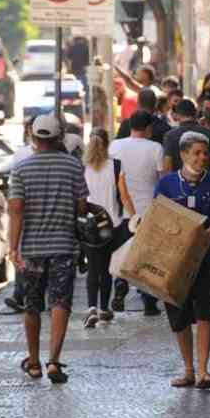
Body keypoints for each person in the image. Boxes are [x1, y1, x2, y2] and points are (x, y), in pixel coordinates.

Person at [8, 114, 89, 384]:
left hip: (32, 247)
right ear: (59, 137)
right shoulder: (73, 166)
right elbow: (80, 205)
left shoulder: (21, 169)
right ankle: (54, 361)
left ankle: (33, 362)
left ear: (33, 137)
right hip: (64, 245)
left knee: (31, 305)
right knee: (59, 302)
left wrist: (12, 247)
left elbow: (16, 210)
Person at [155, 131, 210, 389]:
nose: (202, 158)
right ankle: (188, 369)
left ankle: (204, 371)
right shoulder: (167, 184)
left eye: (205, 153)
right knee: (179, 312)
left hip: (205, 256)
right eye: (196, 153)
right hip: (174, 259)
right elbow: (158, 217)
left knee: (204, 308)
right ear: (183, 154)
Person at [109, 111, 167, 316]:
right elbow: (162, 180)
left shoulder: (115, 146)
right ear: (149, 129)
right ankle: (149, 302)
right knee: (147, 258)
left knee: (126, 254)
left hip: (124, 211)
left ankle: (120, 285)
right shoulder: (155, 148)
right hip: (149, 210)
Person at [82, 128, 133, 328]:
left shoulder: (81, 166)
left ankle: (91, 308)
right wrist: (134, 215)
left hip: (89, 225)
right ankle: (104, 308)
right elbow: (124, 196)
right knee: (106, 269)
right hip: (112, 224)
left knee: (93, 268)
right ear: (107, 142)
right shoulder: (116, 165)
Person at [4, 116, 37, 313]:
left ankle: (22, 295)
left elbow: (15, 198)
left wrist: (12, 246)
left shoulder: (21, 154)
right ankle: (22, 295)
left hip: (26, 213)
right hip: (48, 215)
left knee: (22, 254)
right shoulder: (61, 155)